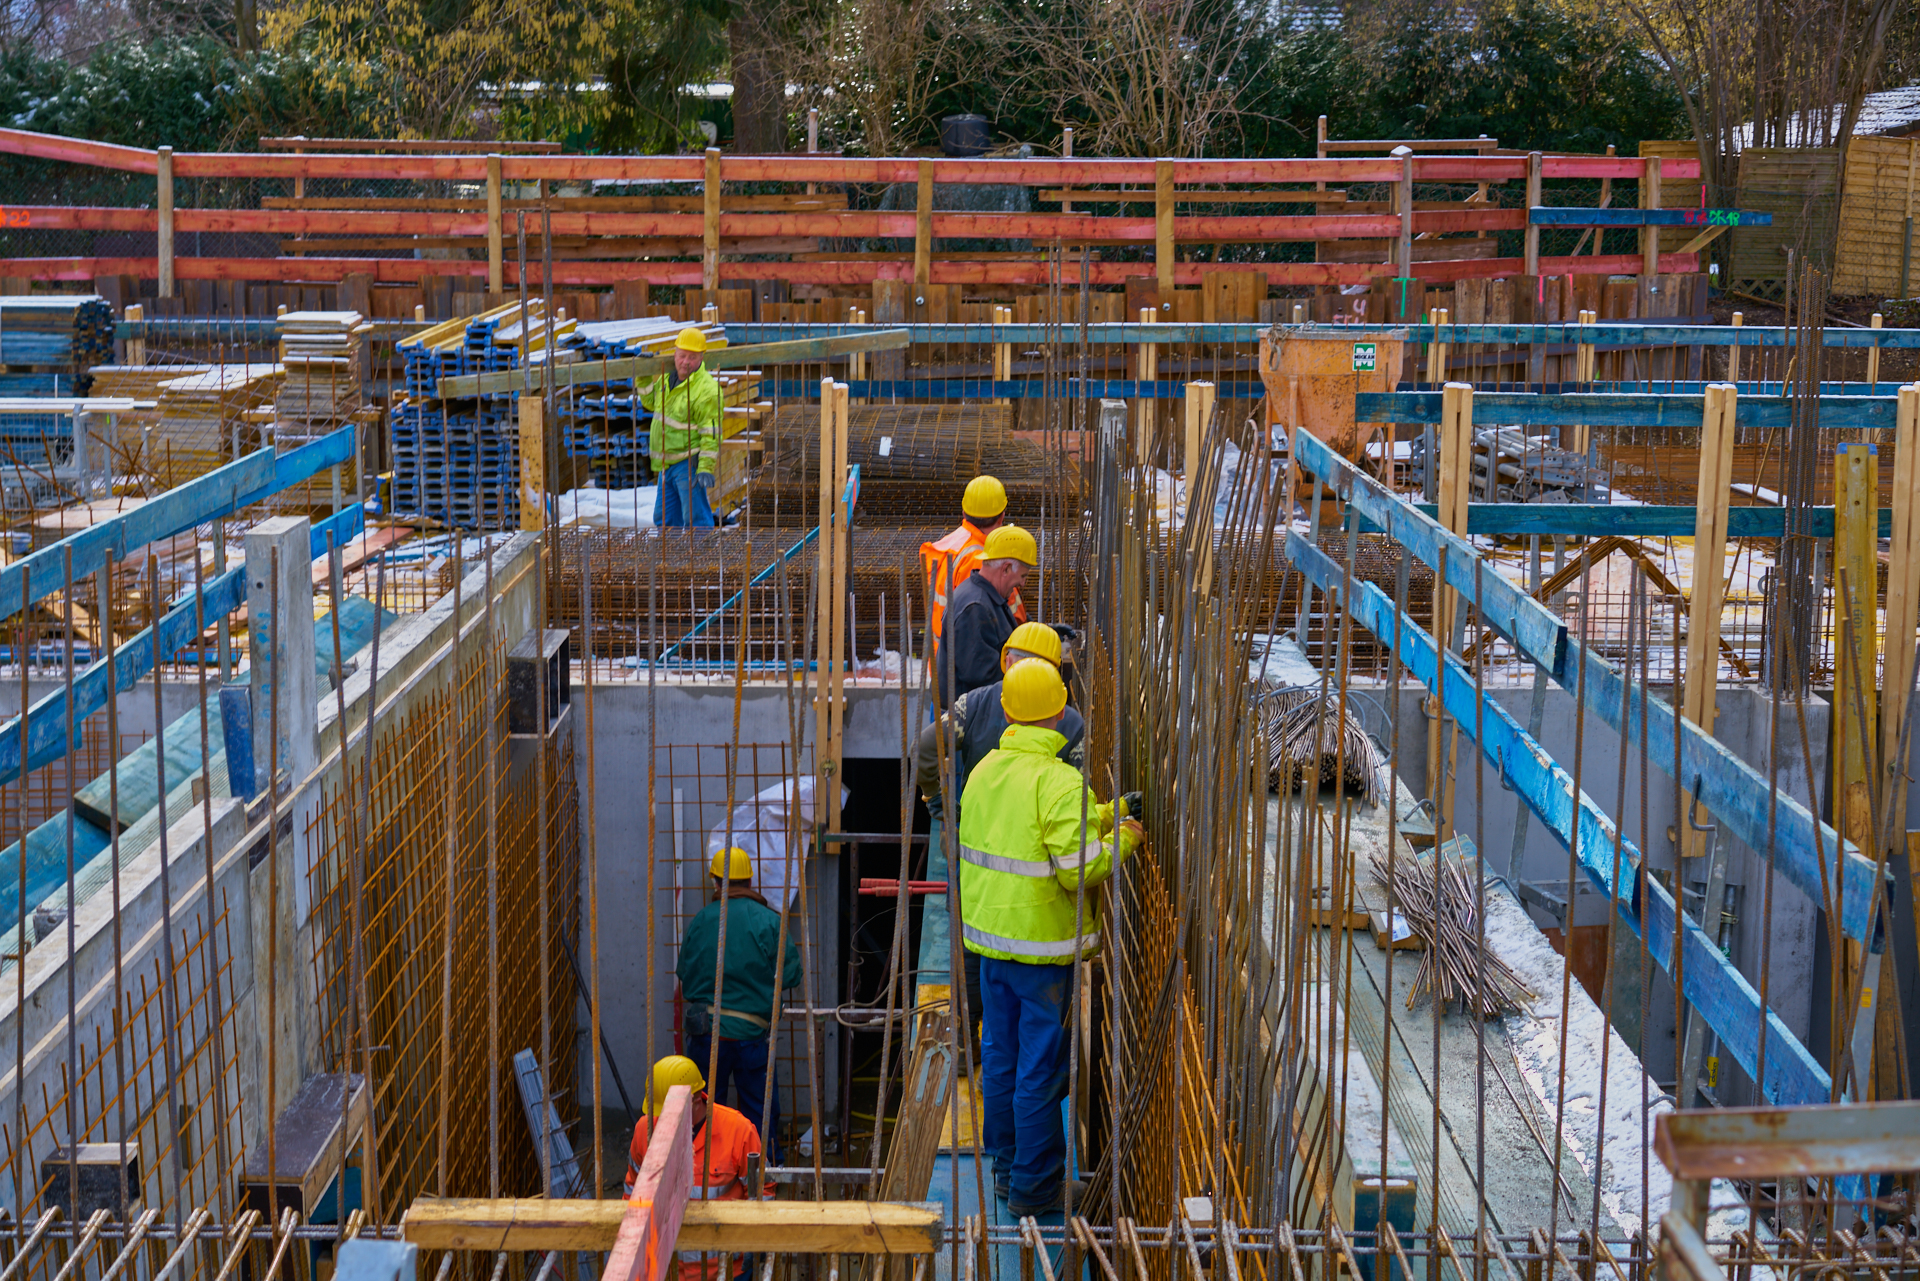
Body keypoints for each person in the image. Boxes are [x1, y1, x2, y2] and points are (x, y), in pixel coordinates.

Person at [958, 659, 1145, 1216]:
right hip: (1040, 956)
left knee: (1000, 1060)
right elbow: (1078, 868)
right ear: (1062, 711)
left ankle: (1006, 1170)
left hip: (991, 947)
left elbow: (1032, 832)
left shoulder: (984, 771)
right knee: (1039, 1070)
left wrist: (1108, 813)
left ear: (1008, 712)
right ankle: (1036, 1188)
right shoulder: (1061, 781)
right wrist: (1125, 838)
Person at [914, 621, 1106, 1058]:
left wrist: (940, 805)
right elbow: (1075, 808)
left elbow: (926, 748)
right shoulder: (1069, 723)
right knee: (1026, 972)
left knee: (970, 942)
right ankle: (1021, 1055)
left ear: (1007, 661)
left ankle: (966, 1042)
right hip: (1033, 869)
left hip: (972, 846)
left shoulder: (975, 704)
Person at [676, 847, 802, 1163]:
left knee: (705, 1110)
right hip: (751, 1034)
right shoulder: (769, 921)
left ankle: (706, 1171)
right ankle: (764, 1173)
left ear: (716, 882)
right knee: (759, 1113)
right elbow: (791, 974)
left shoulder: (701, 920)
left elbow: (685, 975)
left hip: (707, 1034)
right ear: (749, 880)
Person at [624, 1055, 768, 1281]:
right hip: (669, 1268)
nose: (661, 1120)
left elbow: (762, 1192)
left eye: (669, 1113)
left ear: (695, 1101)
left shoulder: (738, 1131)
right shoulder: (645, 1130)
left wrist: (755, 1240)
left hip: (726, 1269)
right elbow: (633, 1189)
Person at [921, 476, 1027, 661]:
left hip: (946, 661)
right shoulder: (980, 560)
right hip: (966, 665)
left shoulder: (953, 543)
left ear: (964, 513)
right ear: (1002, 516)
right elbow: (979, 628)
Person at [938, 523, 1036, 707]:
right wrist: (1030, 674)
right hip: (970, 717)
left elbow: (1008, 635)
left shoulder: (987, 597)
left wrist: (1042, 633)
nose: (1023, 584)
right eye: (1023, 576)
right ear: (1006, 569)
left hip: (979, 710)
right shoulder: (975, 608)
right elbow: (984, 676)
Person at [641, 328, 722, 527]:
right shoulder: (667, 380)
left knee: (696, 521)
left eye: (692, 357)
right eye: (682, 355)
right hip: (666, 464)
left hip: (688, 464)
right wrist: (643, 375)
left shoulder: (707, 390)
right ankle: (670, 550)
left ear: (701, 358)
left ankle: (703, 548)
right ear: (675, 354)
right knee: (665, 520)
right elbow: (650, 402)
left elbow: (710, 433)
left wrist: (705, 467)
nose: (686, 362)